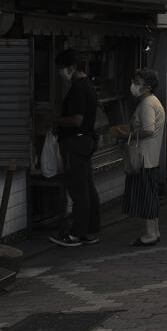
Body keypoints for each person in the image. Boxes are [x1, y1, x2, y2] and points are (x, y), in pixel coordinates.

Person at [49, 49, 101, 247]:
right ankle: (90, 231)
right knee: (87, 187)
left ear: (71, 67)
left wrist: (56, 120)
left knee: (78, 190)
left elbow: (77, 120)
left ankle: (77, 234)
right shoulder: (89, 85)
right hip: (86, 141)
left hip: (75, 143)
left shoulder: (78, 88)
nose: (61, 73)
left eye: (62, 68)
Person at [120, 69, 165, 246]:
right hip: (149, 158)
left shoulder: (147, 103)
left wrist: (127, 134)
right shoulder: (151, 101)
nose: (133, 85)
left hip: (144, 158)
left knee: (146, 196)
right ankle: (154, 231)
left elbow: (148, 129)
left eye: (136, 82)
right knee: (150, 195)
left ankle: (150, 234)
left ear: (147, 87)